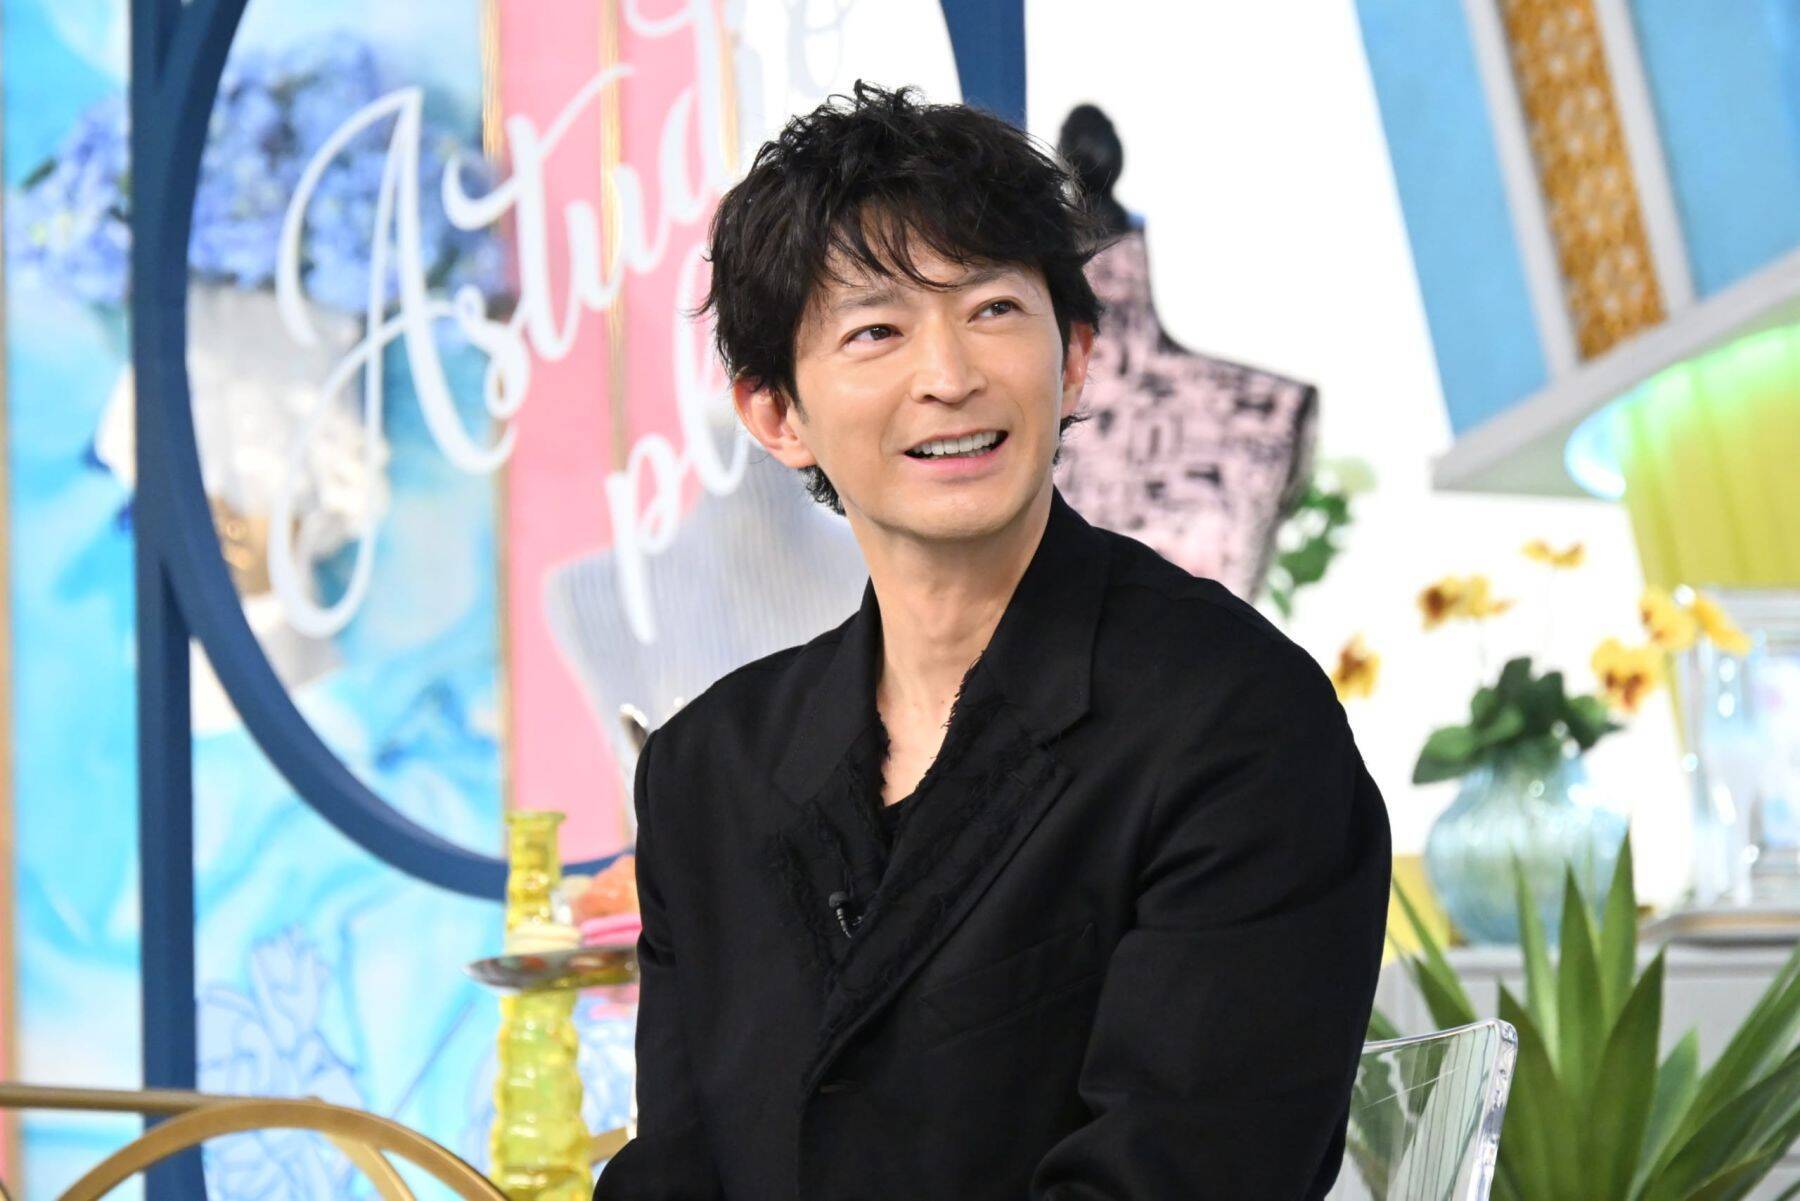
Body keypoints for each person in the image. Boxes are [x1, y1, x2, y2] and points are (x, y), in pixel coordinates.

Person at [592, 80, 1391, 1201]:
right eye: (876, 330)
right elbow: (679, 1173)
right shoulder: (703, 772)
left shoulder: (1237, 721)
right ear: (776, 413)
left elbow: (1180, 1176)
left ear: (1075, 358)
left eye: (994, 310)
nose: (951, 375)